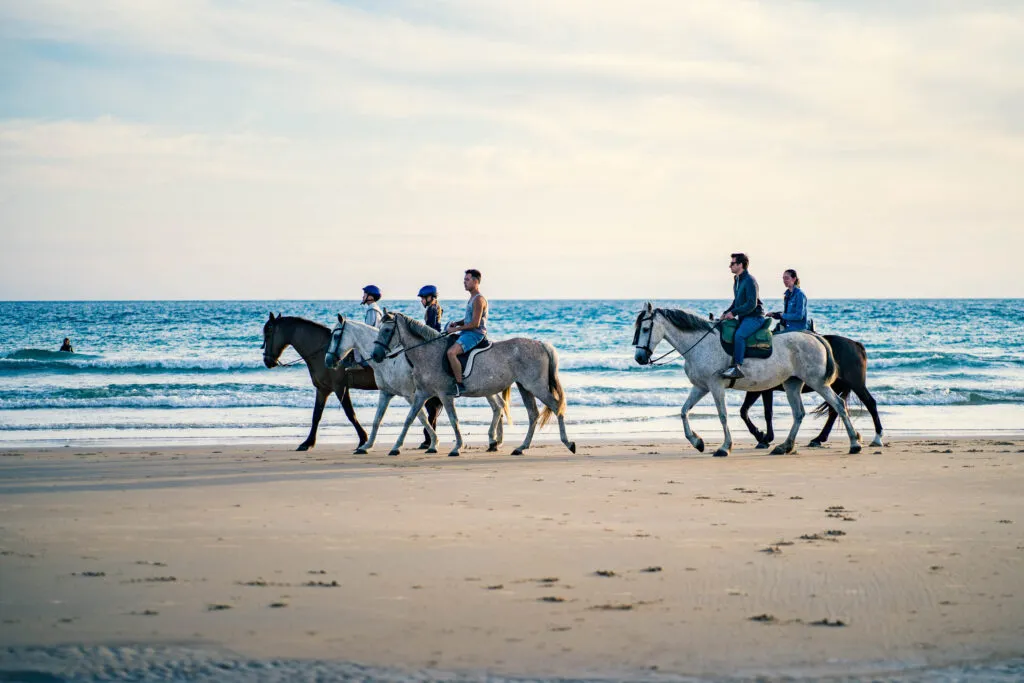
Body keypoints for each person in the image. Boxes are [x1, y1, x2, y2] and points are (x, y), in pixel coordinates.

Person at [720, 253, 765, 379]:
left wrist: (733, 313)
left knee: (739, 335)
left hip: (755, 317)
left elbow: (751, 304)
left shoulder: (750, 280)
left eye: (732, 263)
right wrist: (726, 312)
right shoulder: (737, 280)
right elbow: (737, 301)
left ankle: (737, 367)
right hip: (744, 317)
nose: (730, 266)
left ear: (740, 265)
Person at [445, 269, 488, 397]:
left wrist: (455, 330)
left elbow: (475, 323)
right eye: (464, 280)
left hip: (475, 334)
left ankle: (460, 385)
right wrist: (458, 323)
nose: (464, 282)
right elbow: (469, 319)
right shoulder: (472, 298)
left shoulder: (478, 300)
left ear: (475, 281)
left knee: (451, 352)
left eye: (467, 280)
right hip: (468, 332)